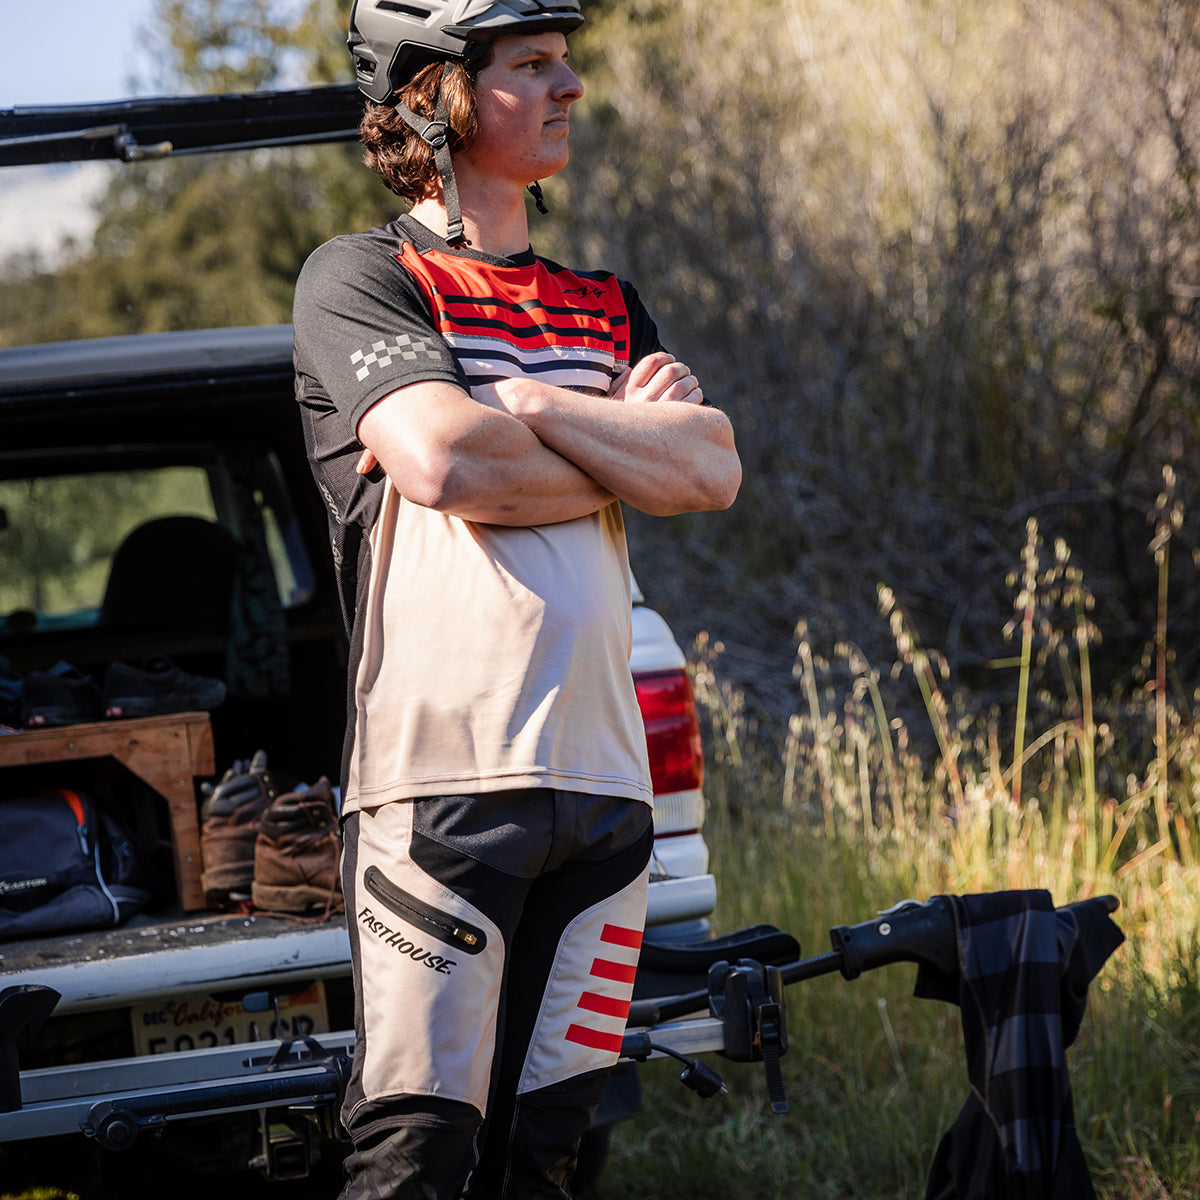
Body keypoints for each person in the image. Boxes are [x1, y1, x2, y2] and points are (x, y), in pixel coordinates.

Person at [291, 2, 741, 1196]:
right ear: (438, 97)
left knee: (549, 1157)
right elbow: (449, 465)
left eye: (565, 62)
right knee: (418, 1155)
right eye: (531, 66)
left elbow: (709, 469)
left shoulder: (606, 302)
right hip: (443, 790)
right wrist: (617, 438)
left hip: (606, 794)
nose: (570, 86)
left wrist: (532, 405)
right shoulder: (361, 278)